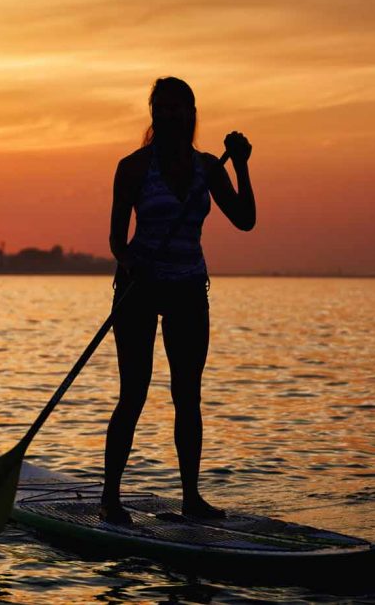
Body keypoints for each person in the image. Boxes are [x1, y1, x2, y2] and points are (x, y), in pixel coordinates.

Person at [100, 77, 256, 524]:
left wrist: (242, 165)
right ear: (152, 114)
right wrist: (130, 262)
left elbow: (245, 220)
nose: (168, 116)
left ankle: (192, 498)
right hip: (139, 291)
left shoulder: (209, 167)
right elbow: (116, 239)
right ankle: (111, 499)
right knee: (133, 394)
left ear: (191, 114)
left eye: (177, 109)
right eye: (160, 108)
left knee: (188, 396)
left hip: (188, 289)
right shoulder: (131, 168)